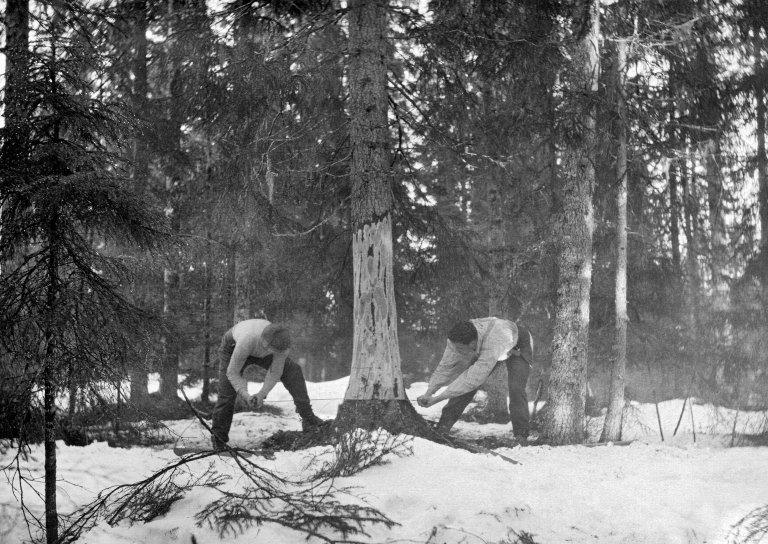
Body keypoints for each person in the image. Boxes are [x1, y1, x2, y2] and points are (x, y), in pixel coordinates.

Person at [210, 318, 324, 450]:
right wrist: (245, 395)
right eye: (271, 349)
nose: (274, 353)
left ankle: (308, 418)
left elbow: (275, 372)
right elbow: (232, 373)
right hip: (233, 347)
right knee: (227, 393)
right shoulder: (248, 340)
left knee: (293, 370)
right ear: (265, 343)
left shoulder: (282, 346)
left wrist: (262, 394)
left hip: (260, 345)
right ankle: (218, 439)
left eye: (276, 352)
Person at [417, 318, 533, 442]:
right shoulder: (455, 338)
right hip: (495, 343)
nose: (458, 352)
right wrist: (429, 392)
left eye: (460, 349)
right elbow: (445, 366)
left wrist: (437, 399)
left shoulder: (493, 343)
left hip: (519, 343)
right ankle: (444, 426)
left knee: (516, 388)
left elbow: (471, 380)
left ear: (472, 344)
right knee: (464, 389)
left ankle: (521, 435)